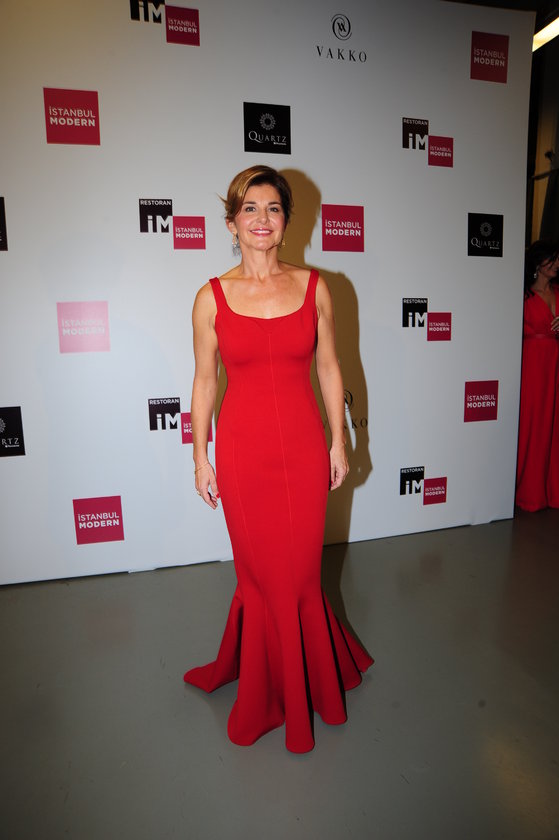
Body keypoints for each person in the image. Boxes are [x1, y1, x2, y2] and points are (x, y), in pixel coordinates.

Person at [183, 165, 373, 753]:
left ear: (287, 221)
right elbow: (205, 382)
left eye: (272, 208)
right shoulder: (210, 298)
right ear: (231, 222)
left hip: (301, 448)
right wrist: (200, 457)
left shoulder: (316, 287)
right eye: (249, 208)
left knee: (299, 574)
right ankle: (267, 687)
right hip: (243, 453)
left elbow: (330, 368)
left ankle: (307, 678)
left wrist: (339, 440)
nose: (261, 219)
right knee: (259, 575)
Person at [515, 240, 559, 511]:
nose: (557, 264)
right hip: (532, 367)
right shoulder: (522, 296)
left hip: (555, 364)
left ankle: (552, 491)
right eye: (552, 259)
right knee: (533, 425)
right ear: (538, 263)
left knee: (554, 426)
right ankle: (529, 492)